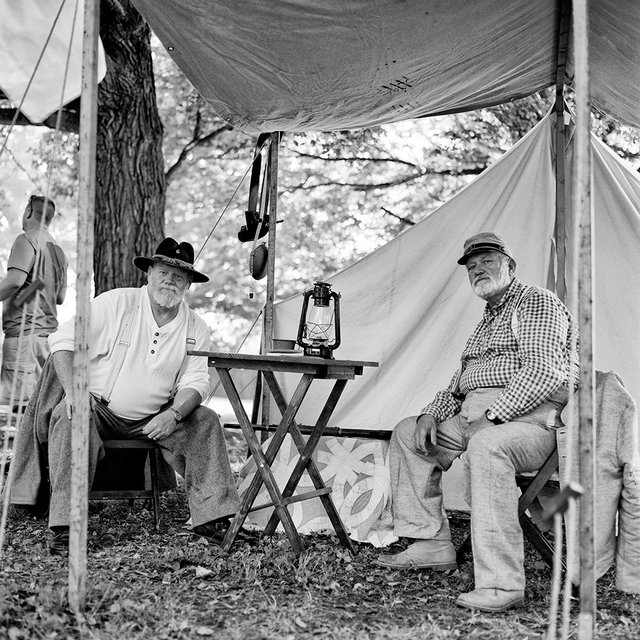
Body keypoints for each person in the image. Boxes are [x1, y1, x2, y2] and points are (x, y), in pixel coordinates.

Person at [376, 231, 579, 613]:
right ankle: (431, 543)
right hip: (476, 417)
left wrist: (494, 416)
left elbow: (545, 372)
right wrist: (429, 414)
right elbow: (457, 386)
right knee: (407, 433)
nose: (478, 270)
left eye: (487, 261)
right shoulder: (486, 321)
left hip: (533, 421)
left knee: (488, 445)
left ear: (510, 266)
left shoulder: (535, 302)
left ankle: (502, 586)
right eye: (472, 267)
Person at [10, 237, 240, 555]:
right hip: (97, 408)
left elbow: (197, 382)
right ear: (148, 274)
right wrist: (75, 394)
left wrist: (173, 414)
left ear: (188, 284)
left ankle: (212, 521)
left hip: (155, 417)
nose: (170, 280)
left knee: (205, 420)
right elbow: (62, 342)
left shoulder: (196, 326)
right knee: (70, 416)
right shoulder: (117, 303)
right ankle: (66, 526)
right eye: (163, 272)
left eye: (179, 276)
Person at [0, 194, 67, 411]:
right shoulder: (59, 251)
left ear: (28, 211)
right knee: (37, 409)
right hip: (46, 341)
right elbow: (59, 298)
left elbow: (14, 282)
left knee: (20, 412)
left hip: (23, 340)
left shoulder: (26, 239)